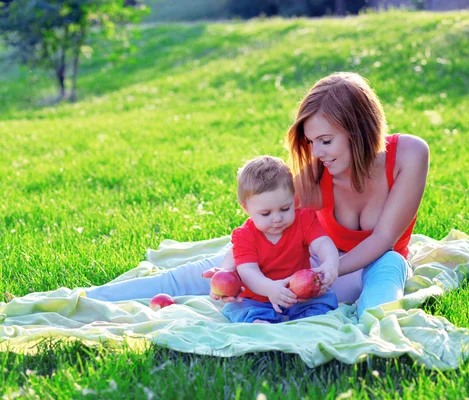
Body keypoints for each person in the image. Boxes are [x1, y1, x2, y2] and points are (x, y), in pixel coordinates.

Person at [86, 71, 429, 318]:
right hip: (317, 268)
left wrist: (329, 269)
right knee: (200, 273)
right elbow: (265, 224)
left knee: (390, 266)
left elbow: (384, 238)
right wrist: (229, 270)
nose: (317, 152)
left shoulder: (409, 155)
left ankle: (375, 334)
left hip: (367, 266)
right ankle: (89, 298)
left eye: (326, 140)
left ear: (359, 128)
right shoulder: (316, 173)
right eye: (311, 142)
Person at [221, 156, 339, 323]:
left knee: (326, 299)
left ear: (293, 198)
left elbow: (323, 243)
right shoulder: (245, 235)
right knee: (237, 308)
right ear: (246, 208)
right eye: (266, 213)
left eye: (285, 208)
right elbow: (248, 272)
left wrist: (330, 263)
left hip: (300, 297)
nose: (277, 218)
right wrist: (270, 288)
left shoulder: (303, 219)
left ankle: (306, 323)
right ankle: (261, 323)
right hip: (258, 299)